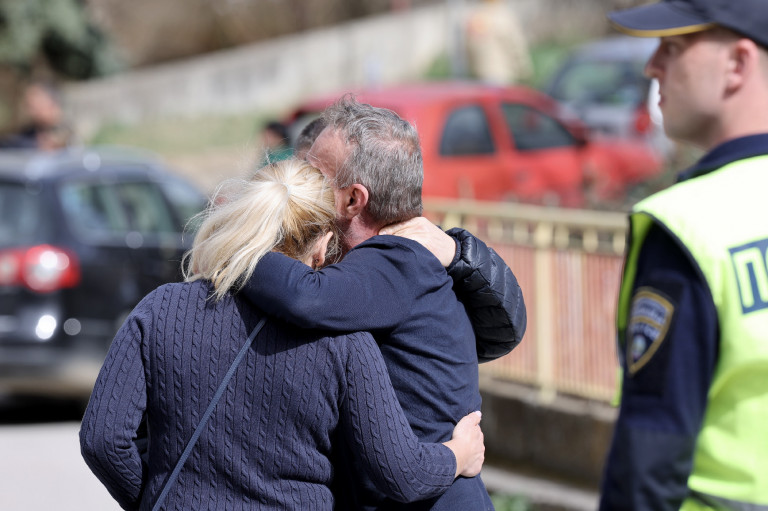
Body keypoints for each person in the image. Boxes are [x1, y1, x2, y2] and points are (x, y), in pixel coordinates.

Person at [79, 159, 486, 511]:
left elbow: (102, 440)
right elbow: (400, 474)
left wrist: (153, 498)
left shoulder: (160, 308)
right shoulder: (343, 342)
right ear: (323, 246)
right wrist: (457, 454)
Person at [242, 97, 526, 510]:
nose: (301, 186)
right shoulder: (395, 266)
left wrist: (235, 247)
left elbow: (305, 296)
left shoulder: (396, 264)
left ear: (354, 200)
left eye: (314, 176)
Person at [600, 1, 768, 509]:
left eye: (672, 47)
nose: (652, 67)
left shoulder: (690, 224)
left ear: (738, 63)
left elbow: (650, 465)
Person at [465, 0, 532, 85]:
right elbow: (515, 46)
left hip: (479, 75)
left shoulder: (475, 17)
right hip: (502, 74)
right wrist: (524, 71)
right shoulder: (503, 16)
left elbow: (468, 48)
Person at [0, 80, 73, 150]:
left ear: (52, 103)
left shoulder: (70, 135)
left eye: (34, 105)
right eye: (29, 105)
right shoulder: (28, 134)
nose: (30, 111)